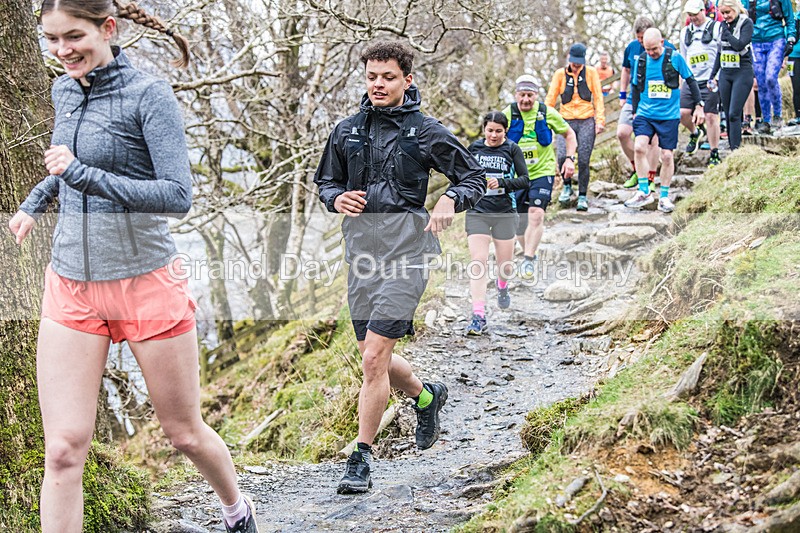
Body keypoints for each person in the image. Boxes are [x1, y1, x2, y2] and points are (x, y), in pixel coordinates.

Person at [8, 1, 259, 532]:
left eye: (72, 37)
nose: (61, 51)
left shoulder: (150, 94)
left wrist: (85, 175)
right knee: (62, 451)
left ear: (108, 28)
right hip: (71, 285)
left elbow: (175, 196)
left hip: (145, 280)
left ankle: (237, 513)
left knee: (183, 432)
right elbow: (62, 165)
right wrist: (33, 205)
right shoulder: (62, 91)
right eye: (51, 40)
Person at [313, 40, 485, 494]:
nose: (378, 84)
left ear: (407, 80)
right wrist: (336, 198)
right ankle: (427, 397)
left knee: (373, 359)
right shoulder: (346, 131)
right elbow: (325, 182)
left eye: (388, 76)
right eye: (372, 76)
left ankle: (360, 458)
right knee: (376, 356)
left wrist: (450, 198)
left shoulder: (426, 131)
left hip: (410, 254)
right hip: (362, 257)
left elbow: (474, 177)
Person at [504, 75, 576, 279]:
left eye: (530, 95)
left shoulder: (546, 112)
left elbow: (569, 134)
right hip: (516, 175)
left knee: (536, 213)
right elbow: (493, 138)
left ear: (536, 95)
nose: (526, 99)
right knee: (518, 223)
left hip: (542, 172)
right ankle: (531, 254)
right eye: (522, 95)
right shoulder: (507, 114)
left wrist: (570, 159)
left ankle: (528, 259)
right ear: (516, 94)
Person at [625, 28, 704, 213]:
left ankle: (664, 197)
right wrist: (636, 111)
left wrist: (699, 105)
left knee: (667, 156)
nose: (651, 53)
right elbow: (635, 87)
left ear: (662, 42)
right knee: (639, 147)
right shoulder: (642, 60)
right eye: (647, 49)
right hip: (645, 113)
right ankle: (644, 191)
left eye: (654, 49)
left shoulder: (674, 57)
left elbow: (691, 81)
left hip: (668, 116)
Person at [464, 111, 530, 335]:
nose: (493, 135)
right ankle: (478, 315)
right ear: (484, 129)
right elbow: (464, 175)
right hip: (477, 212)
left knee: (505, 266)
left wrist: (501, 182)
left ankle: (502, 287)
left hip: (504, 213)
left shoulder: (512, 149)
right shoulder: (474, 149)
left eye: (498, 131)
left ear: (505, 131)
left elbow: (524, 180)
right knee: (478, 261)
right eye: (490, 130)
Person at [618, 17, 678, 192]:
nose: (641, 42)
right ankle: (638, 169)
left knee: (653, 141)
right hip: (635, 98)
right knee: (622, 133)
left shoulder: (668, 49)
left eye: (643, 38)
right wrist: (622, 94)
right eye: (639, 39)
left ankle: (650, 177)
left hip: (658, 103)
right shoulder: (632, 48)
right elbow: (626, 70)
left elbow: (679, 77)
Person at [546, 43, 606, 211]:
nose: (576, 65)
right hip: (565, 120)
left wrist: (600, 120)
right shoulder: (560, 75)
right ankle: (567, 187)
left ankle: (582, 196)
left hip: (586, 119)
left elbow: (598, 97)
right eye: (574, 62)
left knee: (584, 159)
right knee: (562, 156)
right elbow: (550, 99)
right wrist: (546, 121)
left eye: (579, 62)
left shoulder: (591, 73)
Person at [680, 0, 723, 166]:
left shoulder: (716, 27)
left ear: (702, 11)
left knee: (711, 115)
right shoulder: (685, 32)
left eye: (695, 14)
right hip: (691, 79)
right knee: (683, 113)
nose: (693, 18)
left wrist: (718, 76)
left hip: (711, 78)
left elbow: (721, 52)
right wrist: (682, 80)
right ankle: (695, 132)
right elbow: (683, 57)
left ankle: (714, 152)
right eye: (690, 15)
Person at [746, 0, 796, 133]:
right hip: (755, 42)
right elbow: (741, 15)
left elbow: (790, 19)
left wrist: (791, 38)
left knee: (770, 77)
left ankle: (778, 116)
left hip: (776, 39)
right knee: (761, 82)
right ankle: (766, 120)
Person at [711, 0, 755, 150]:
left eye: (728, 12)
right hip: (725, 72)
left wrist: (727, 33)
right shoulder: (722, 26)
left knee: (734, 114)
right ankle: (733, 149)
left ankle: (737, 149)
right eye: (722, 13)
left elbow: (739, 45)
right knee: (728, 115)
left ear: (735, 9)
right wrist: (712, 75)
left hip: (742, 71)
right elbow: (719, 52)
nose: (725, 16)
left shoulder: (746, 23)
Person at [786, 9, 800, 126]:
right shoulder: (794, 18)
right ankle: (798, 116)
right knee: (797, 87)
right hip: (794, 56)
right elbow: (787, 33)